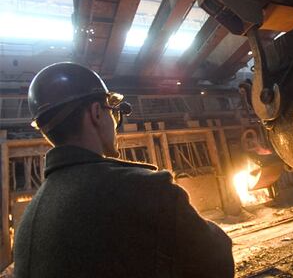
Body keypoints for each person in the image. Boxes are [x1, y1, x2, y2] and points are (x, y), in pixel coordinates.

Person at [13, 62, 234, 278]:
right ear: (96, 113)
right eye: (113, 113)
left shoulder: (29, 221)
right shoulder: (144, 189)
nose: (116, 124)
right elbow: (217, 262)